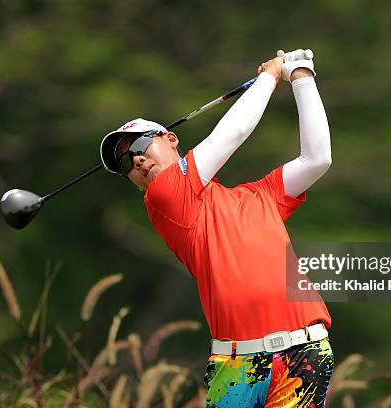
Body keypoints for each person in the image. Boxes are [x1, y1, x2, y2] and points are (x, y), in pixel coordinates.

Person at [100, 49, 333, 407]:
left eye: (141, 146)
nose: (137, 161)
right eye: (126, 164)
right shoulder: (163, 197)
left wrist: (302, 77)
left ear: (171, 138)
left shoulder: (258, 197)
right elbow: (234, 131)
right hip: (236, 364)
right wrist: (271, 77)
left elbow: (317, 159)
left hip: (303, 352)